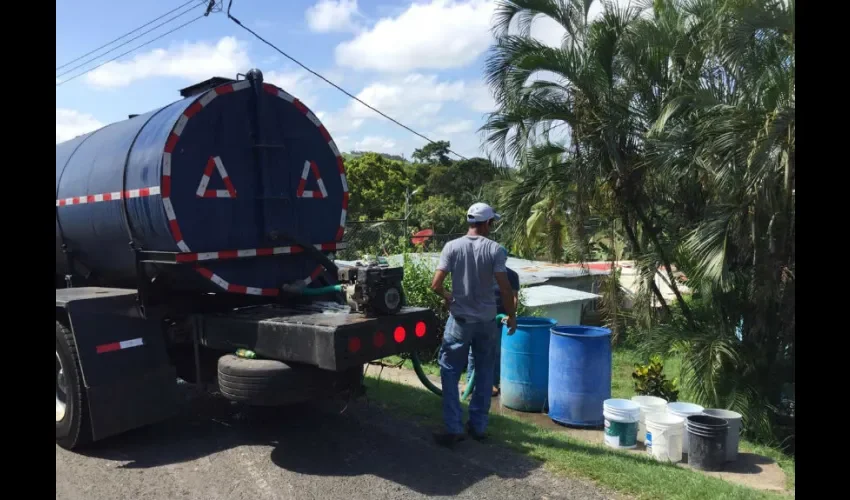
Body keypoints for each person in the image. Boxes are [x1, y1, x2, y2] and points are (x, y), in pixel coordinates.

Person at [430, 202, 517, 447]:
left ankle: (454, 427)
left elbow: (436, 285)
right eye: (492, 222)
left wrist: (449, 296)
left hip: (459, 321)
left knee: (449, 372)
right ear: (487, 223)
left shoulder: (452, 247)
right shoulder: (495, 250)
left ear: (470, 223)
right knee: (485, 371)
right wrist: (512, 316)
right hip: (487, 322)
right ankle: (478, 427)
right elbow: (505, 287)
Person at [465, 246, 519, 398]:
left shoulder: (512, 276)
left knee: (494, 352)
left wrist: (511, 315)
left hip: (499, 319)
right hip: (480, 317)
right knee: (473, 351)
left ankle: (492, 384)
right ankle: (470, 382)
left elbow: (514, 298)